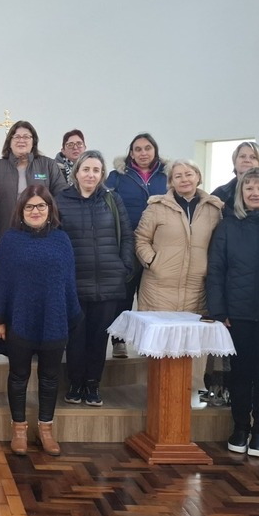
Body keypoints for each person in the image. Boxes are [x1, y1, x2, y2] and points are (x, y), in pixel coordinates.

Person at [0, 185, 81, 458]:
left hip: (54, 318)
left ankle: (46, 429)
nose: (36, 211)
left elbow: (69, 283)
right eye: (30, 206)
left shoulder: (62, 240)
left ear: (50, 209)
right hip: (20, 319)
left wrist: (69, 315)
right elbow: (0, 282)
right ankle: (19, 429)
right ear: (21, 210)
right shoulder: (10, 240)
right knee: (18, 376)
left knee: (50, 377)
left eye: (41, 206)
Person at [206, 168, 259, 459]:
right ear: (241, 194)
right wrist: (219, 310)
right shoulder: (228, 226)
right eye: (249, 189)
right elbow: (216, 270)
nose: (255, 193)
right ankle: (240, 428)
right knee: (240, 374)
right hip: (237, 314)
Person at [54, 150, 133, 407]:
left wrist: (124, 267)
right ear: (76, 172)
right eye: (86, 169)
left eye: (96, 170)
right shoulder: (61, 200)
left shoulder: (112, 199)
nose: (90, 174)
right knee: (75, 338)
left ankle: (92, 385)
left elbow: (127, 236)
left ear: (102, 174)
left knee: (99, 338)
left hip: (108, 283)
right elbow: (54, 239)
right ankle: (75, 383)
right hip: (74, 283)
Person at [104, 132, 168, 358]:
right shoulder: (118, 176)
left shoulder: (167, 176)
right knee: (124, 293)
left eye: (147, 148)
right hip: (128, 243)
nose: (143, 153)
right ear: (131, 153)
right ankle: (119, 341)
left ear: (155, 151)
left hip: (158, 246)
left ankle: (147, 341)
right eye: (138, 149)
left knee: (151, 295)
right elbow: (107, 205)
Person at [134, 158, 223, 313]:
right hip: (158, 290)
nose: (184, 179)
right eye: (178, 176)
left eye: (189, 174)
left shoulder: (213, 210)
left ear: (198, 177)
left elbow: (218, 245)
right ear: (171, 181)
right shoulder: (156, 207)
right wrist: (153, 261)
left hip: (196, 291)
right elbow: (140, 238)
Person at [0, 120, 66, 254]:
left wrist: (57, 228)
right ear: (9, 142)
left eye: (26, 136)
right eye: (16, 137)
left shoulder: (48, 165)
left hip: (44, 235)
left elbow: (62, 197)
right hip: (7, 235)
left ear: (34, 141)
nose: (21, 140)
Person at [211, 141, 259, 217]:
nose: (247, 160)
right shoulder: (220, 193)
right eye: (242, 156)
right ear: (235, 162)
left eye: (253, 157)